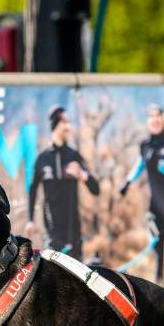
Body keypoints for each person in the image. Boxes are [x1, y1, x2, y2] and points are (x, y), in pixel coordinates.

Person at [119, 104, 164, 293]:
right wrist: (128, 181)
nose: (155, 120)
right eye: (151, 117)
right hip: (155, 210)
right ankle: (160, 297)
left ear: (162, 119)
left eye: (158, 116)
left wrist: (162, 164)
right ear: (148, 122)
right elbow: (140, 165)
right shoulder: (145, 145)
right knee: (159, 256)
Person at [25, 106, 100, 260]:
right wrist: (31, 220)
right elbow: (33, 190)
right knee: (53, 274)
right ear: (56, 125)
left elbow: (96, 189)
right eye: (65, 123)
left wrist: (82, 175)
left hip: (73, 229)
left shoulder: (74, 155)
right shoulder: (42, 158)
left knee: (77, 277)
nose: (69, 127)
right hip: (51, 230)